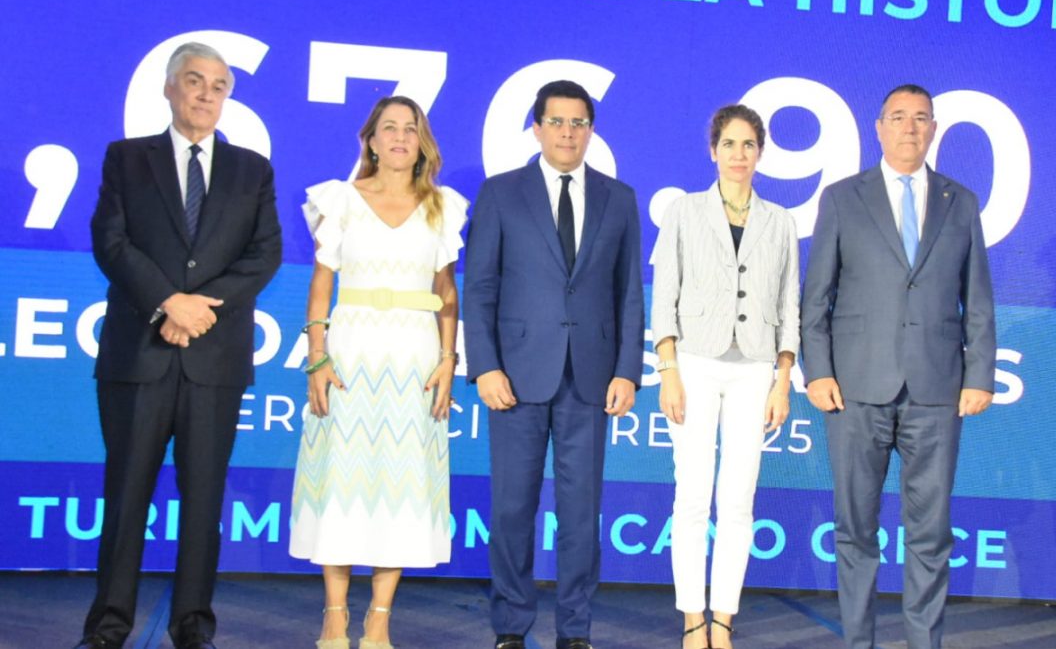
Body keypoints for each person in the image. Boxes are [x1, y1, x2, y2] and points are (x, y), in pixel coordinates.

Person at [77, 42, 282, 649]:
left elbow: (264, 254)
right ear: (170, 87)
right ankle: (108, 627)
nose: (206, 95)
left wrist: (197, 310)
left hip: (214, 364)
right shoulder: (126, 158)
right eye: (195, 81)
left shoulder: (253, 169)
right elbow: (110, 241)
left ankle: (193, 626)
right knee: (125, 498)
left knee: (204, 502)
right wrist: (168, 302)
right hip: (138, 357)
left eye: (219, 86)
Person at [800, 84, 996, 649]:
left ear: (933, 129)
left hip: (936, 389)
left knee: (930, 534)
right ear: (879, 127)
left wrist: (979, 374)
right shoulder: (843, 198)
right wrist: (818, 370)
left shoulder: (961, 202)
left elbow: (977, 297)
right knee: (855, 530)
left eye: (921, 118)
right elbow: (817, 296)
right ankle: (858, 642)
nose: (910, 127)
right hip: (856, 388)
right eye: (899, 117)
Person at [463, 80, 644, 649]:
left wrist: (627, 370)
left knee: (581, 514)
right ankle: (511, 627)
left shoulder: (619, 198)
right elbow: (480, 287)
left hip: (590, 378)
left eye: (579, 123)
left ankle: (575, 630)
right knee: (512, 509)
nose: (568, 133)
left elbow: (629, 293)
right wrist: (485, 366)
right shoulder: (501, 193)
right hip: (514, 377)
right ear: (537, 128)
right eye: (557, 122)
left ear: (591, 131)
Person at [288, 95, 467, 649]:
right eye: (389, 128)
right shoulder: (340, 200)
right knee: (339, 484)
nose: (399, 137)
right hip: (350, 352)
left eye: (410, 128)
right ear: (370, 140)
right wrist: (318, 356)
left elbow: (446, 293)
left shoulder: (442, 206)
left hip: (415, 358)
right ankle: (335, 617)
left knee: (402, 489)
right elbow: (321, 283)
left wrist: (448, 360)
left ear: (422, 141)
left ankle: (379, 621)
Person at [651, 105, 800, 649]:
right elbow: (664, 296)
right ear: (713, 150)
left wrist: (783, 378)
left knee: (738, 501)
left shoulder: (780, 221)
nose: (739, 155)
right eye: (730, 144)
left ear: (761, 153)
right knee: (692, 497)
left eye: (749, 144)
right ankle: (693, 620)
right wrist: (668, 370)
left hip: (755, 368)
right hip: (693, 362)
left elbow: (788, 304)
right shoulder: (684, 212)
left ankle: (723, 620)